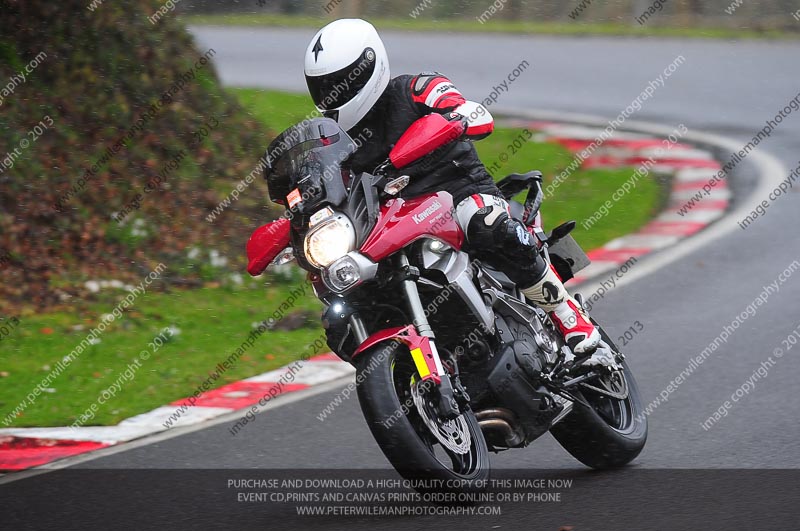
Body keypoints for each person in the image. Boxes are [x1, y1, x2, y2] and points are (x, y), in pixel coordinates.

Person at [303, 19, 600, 355]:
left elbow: (466, 109)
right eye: (324, 86)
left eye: (342, 82)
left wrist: (459, 117)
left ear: (370, 66)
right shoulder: (334, 139)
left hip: (460, 195)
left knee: (486, 222)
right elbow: (320, 184)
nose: (334, 93)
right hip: (392, 225)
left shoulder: (416, 88)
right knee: (340, 308)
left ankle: (567, 315)